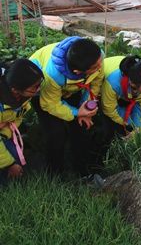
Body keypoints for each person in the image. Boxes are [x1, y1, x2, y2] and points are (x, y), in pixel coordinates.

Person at [30, 37, 104, 176]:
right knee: (55, 134)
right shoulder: (51, 75)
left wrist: (86, 108)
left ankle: (82, 170)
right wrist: (77, 113)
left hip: (70, 89)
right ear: (77, 72)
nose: (100, 67)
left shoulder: (95, 56)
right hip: (43, 93)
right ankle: (55, 174)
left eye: (100, 62)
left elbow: (95, 83)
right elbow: (50, 104)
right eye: (95, 67)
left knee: (82, 127)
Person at [0, 59, 44, 183]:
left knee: (18, 165)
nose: (38, 90)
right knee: (11, 170)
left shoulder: (19, 94)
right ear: (14, 89)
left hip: (5, 133)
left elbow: (17, 117)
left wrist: (5, 131)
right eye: (34, 87)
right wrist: (9, 165)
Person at [100, 55, 141, 138]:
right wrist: (125, 124)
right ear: (133, 84)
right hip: (103, 79)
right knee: (108, 128)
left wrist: (137, 128)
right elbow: (109, 109)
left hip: (128, 90)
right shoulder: (113, 84)